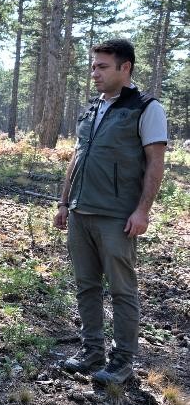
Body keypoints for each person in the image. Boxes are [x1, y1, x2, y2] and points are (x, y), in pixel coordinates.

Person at [54, 38, 167, 385]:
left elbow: (155, 164)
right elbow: (77, 157)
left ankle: (122, 361)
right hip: (80, 212)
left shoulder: (147, 108)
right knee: (86, 285)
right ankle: (91, 351)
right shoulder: (92, 109)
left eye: (102, 66)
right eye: (93, 66)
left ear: (125, 68)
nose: (95, 73)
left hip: (117, 217)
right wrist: (63, 202)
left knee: (122, 290)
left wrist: (142, 211)